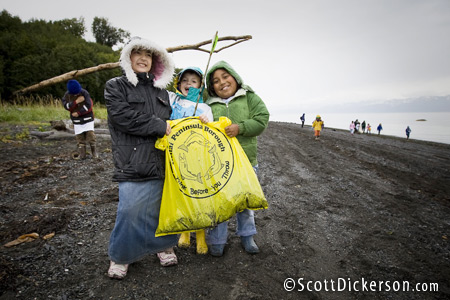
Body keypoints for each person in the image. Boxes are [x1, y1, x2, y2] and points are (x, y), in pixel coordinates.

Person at [104, 37, 178, 279]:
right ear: (128, 57)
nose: (143, 58)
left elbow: (178, 119)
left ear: (156, 61)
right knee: (129, 210)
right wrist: (159, 125)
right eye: (137, 53)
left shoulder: (163, 93)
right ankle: (121, 257)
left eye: (149, 54)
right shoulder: (115, 86)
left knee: (161, 209)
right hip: (131, 161)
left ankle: (163, 247)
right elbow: (121, 117)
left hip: (161, 161)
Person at [204, 60, 270, 257]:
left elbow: (262, 119)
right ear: (211, 86)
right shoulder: (208, 103)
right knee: (219, 202)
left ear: (234, 77)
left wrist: (240, 127)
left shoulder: (249, 96)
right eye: (215, 81)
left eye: (225, 77)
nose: (222, 82)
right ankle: (217, 239)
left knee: (245, 203)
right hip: (218, 165)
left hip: (247, 162)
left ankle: (247, 236)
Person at [168, 67, 213, 254]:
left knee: (199, 197)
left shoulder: (205, 107)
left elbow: (212, 129)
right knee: (181, 196)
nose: (188, 84)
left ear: (200, 85)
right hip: (177, 158)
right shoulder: (173, 100)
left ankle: (201, 235)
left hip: (199, 160)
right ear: (178, 84)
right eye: (184, 80)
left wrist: (206, 120)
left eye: (193, 81)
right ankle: (185, 231)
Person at [61, 80, 98, 159]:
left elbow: (89, 105)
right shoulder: (67, 95)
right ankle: (82, 154)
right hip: (77, 121)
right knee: (79, 138)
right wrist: (76, 102)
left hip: (88, 118)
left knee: (91, 136)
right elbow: (67, 106)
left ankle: (94, 153)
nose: (77, 94)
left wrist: (79, 112)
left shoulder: (84, 93)